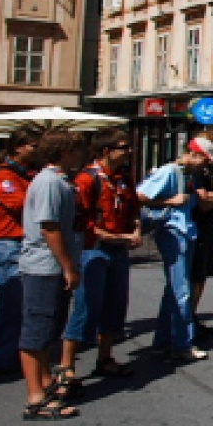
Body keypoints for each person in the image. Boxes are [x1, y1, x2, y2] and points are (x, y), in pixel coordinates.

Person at [62, 128, 140, 382]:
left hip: (118, 250)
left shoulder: (124, 178)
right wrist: (119, 237)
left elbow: (134, 208)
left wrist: (136, 228)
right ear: (106, 151)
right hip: (93, 250)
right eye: (122, 147)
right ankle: (67, 366)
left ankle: (104, 358)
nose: (128, 151)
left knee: (115, 305)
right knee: (86, 307)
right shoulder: (87, 179)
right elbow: (82, 223)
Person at [17, 131, 86, 420]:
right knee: (37, 329)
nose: (82, 155)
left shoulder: (59, 181)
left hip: (52, 266)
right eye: (78, 150)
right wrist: (68, 265)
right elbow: (50, 227)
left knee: (49, 328)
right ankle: (35, 397)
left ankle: (45, 382)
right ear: (64, 151)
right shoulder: (48, 182)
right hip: (44, 265)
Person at [137, 139, 212, 362]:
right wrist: (171, 200)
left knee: (174, 290)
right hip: (173, 232)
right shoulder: (170, 171)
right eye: (204, 160)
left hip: (184, 232)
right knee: (182, 290)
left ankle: (161, 342)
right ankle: (183, 344)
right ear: (193, 154)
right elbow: (140, 195)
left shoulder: (187, 174)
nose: (204, 166)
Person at [0, 128, 38, 377]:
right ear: (19, 148)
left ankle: (16, 352)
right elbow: (21, 203)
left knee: (23, 300)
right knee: (12, 299)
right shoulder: (5, 176)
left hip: (21, 240)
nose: (38, 150)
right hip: (5, 240)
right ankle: (2, 358)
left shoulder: (29, 174)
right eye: (34, 145)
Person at [184, 136, 213, 343]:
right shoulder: (196, 172)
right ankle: (187, 320)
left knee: (203, 275)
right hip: (198, 227)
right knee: (196, 276)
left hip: (209, 226)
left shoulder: (211, 170)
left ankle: (192, 317)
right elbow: (202, 201)